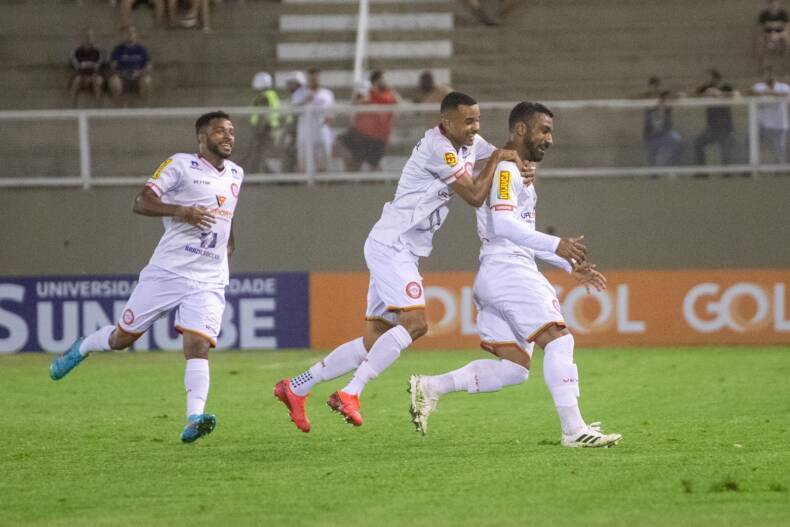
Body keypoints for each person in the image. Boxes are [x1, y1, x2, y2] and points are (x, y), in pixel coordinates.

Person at [273, 92, 587, 433]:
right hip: (394, 243)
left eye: (478, 120)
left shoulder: (470, 143)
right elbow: (475, 194)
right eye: (468, 121)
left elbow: (504, 155)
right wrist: (501, 158)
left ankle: (297, 386)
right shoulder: (439, 147)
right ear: (447, 122)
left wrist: (518, 164)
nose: (475, 128)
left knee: (373, 341)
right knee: (416, 323)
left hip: (400, 247)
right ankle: (351, 392)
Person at [408, 102, 622, 448]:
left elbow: (518, 233)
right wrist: (557, 243)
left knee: (514, 369)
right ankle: (573, 429)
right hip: (508, 270)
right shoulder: (507, 171)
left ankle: (431, 386)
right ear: (521, 129)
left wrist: (567, 264)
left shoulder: (517, 171)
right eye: (544, 130)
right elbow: (505, 225)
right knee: (560, 340)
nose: (550, 139)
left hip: (498, 271)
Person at [49, 111, 244, 444]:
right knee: (122, 339)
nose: (228, 136)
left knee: (198, 344)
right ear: (202, 137)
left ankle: (194, 418)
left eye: (231, 131)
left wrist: (228, 242)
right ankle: (83, 346)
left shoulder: (237, 173)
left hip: (211, 277)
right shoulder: (180, 165)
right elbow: (141, 202)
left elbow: (225, 214)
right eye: (220, 131)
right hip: (168, 271)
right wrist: (182, 211)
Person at [337, 70, 400, 171]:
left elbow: (398, 106)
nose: (385, 82)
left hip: (378, 138)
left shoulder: (388, 95)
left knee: (374, 165)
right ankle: (352, 175)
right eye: (383, 79)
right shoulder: (367, 94)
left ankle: (376, 178)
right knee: (342, 147)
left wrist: (392, 91)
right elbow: (353, 106)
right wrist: (358, 100)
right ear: (376, 81)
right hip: (361, 134)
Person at [291, 67, 335, 172]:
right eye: (311, 78)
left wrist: (329, 118)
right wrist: (305, 100)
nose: (313, 80)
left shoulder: (327, 94)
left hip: (322, 135)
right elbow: (294, 111)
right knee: (304, 167)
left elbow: (331, 113)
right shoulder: (299, 94)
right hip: (305, 136)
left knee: (322, 167)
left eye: (316, 78)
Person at [693, 69, 739, 168]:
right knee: (697, 143)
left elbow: (736, 94)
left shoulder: (725, 87)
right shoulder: (706, 88)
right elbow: (695, 94)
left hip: (725, 128)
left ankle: (727, 172)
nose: (708, 80)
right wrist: (706, 93)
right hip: (711, 128)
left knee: (725, 151)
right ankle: (702, 170)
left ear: (716, 78)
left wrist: (719, 94)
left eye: (710, 78)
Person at [639, 77, 684, 167]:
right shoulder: (646, 97)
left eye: (657, 86)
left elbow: (679, 96)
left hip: (667, 132)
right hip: (651, 134)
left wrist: (669, 98)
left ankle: (670, 167)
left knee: (679, 140)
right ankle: (654, 172)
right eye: (652, 86)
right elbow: (633, 98)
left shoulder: (665, 96)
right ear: (649, 86)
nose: (655, 88)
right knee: (652, 155)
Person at [243, 71, 281, 173]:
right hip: (270, 129)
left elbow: (263, 116)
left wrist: (258, 132)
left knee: (260, 155)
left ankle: (261, 175)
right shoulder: (271, 95)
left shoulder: (263, 97)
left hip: (265, 130)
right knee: (262, 156)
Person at [751, 66, 790, 163]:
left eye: (771, 73)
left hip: (779, 124)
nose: (769, 76)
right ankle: (758, 166)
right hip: (763, 125)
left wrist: (768, 92)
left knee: (779, 149)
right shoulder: (759, 86)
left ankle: (780, 166)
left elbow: (786, 94)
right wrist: (771, 93)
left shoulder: (783, 86)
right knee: (758, 147)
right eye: (767, 73)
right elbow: (752, 92)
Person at [108, 26, 153, 104]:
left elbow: (149, 66)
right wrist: (121, 73)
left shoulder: (141, 49)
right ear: (124, 35)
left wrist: (139, 72)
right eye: (128, 33)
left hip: (138, 77)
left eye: (132, 33)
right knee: (114, 81)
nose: (130, 35)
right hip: (123, 77)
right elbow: (112, 66)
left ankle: (145, 107)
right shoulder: (118, 49)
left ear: (135, 34)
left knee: (147, 80)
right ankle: (117, 108)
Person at [68, 28, 105, 107]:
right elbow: (76, 66)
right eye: (86, 36)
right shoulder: (76, 51)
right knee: (76, 81)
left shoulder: (98, 51)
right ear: (81, 38)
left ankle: (99, 108)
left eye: (90, 36)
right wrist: (83, 75)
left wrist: (91, 75)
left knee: (97, 81)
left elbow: (98, 66)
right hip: (80, 75)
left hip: (94, 75)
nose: (88, 38)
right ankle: (72, 108)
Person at [757, 0, 790, 69]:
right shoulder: (764, 14)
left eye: (776, 4)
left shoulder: (783, 14)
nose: (774, 6)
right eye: (772, 4)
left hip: (780, 33)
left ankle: (785, 57)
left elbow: (786, 26)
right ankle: (764, 63)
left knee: (787, 38)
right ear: (769, 5)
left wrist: (777, 29)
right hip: (767, 33)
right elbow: (760, 27)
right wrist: (771, 28)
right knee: (762, 42)